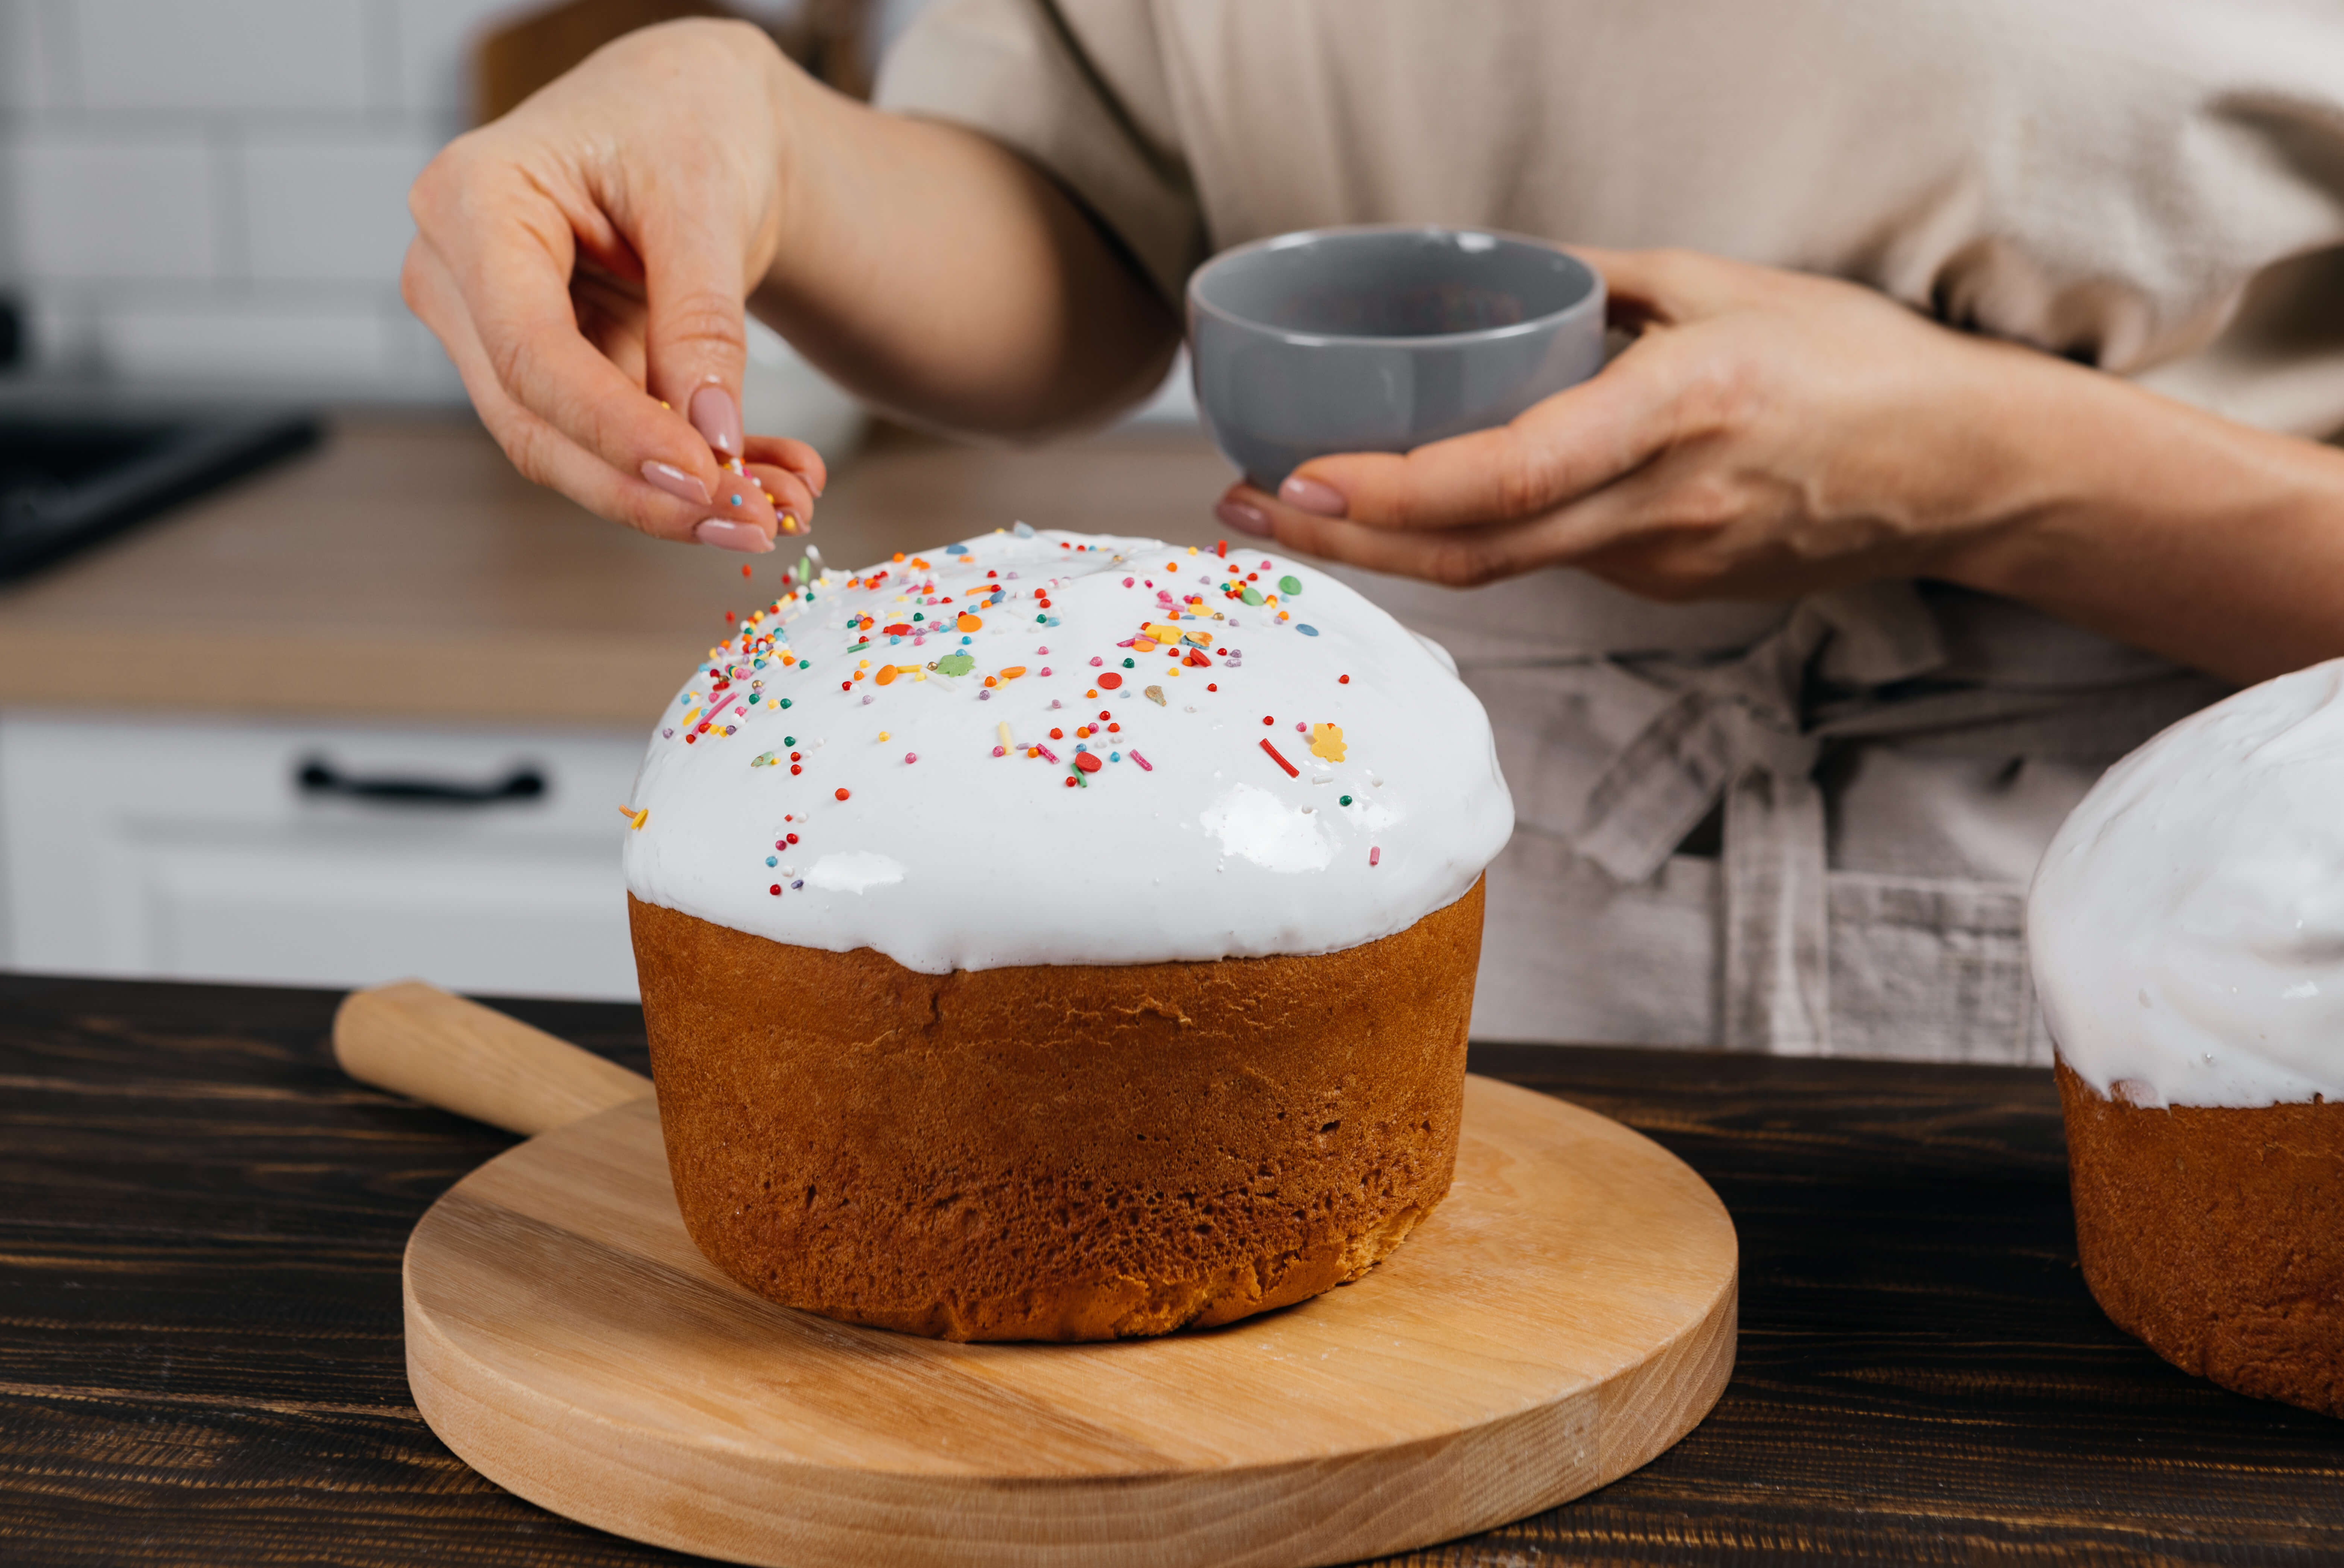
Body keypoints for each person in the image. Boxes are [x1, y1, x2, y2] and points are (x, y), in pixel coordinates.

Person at [402, 5, 2344, 1062]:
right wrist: (760, 129)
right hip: (1373, 859)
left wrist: (1996, 466)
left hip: (2191, 911)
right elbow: (1089, 225)